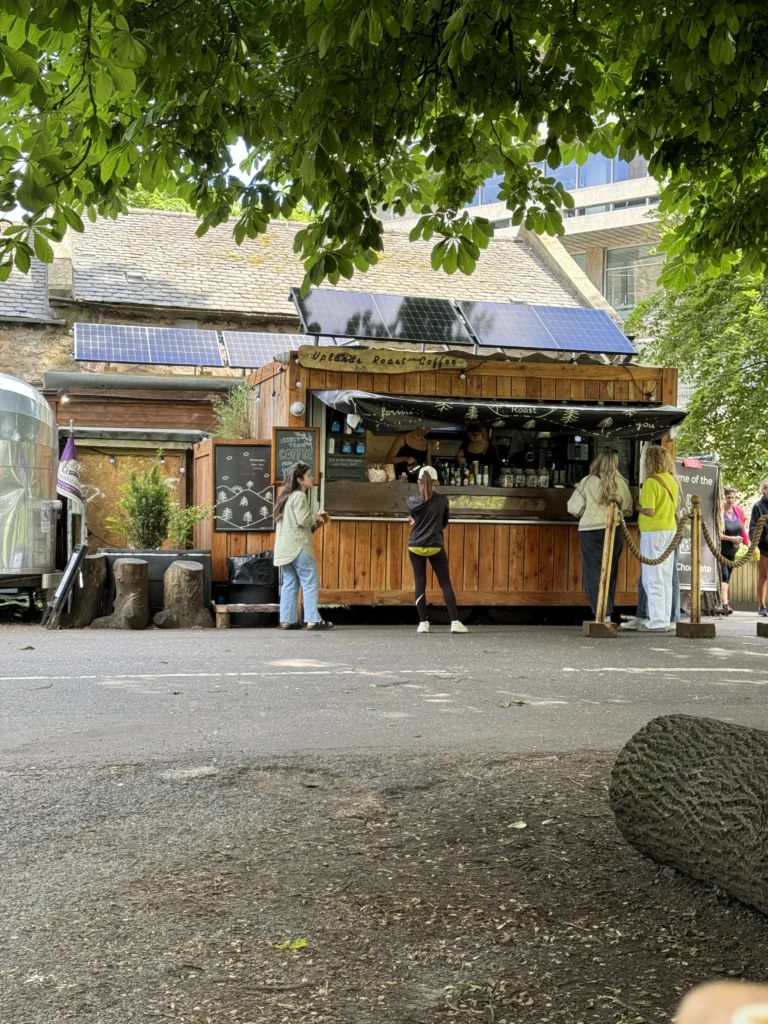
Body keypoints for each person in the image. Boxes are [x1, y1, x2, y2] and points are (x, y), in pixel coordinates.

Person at [567, 448, 633, 619]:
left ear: (598, 461)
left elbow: (573, 508)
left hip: (590, 532)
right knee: (610, 572)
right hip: (614, 529)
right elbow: (628, 509)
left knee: (593, 573)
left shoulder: (587, 481)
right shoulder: (621, 483)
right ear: (616, 463)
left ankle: (600, 614)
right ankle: (608, 613)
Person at [406, 465, 467, 634]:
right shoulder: (442, 500)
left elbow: (415, 519)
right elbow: (444, 522)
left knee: (420, 583)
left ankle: (423, 623)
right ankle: (455, 622)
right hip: (434, 545)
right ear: (436, 483)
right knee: (445, 583)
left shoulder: (411, 501)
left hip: (415, 545)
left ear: (418, 482)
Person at [273, 462, 331, 630]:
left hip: (284, 548)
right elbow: (303, 520)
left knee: (290, 582)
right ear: (300, 479)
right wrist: (317, 518)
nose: (312, 478)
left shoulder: (285, 497)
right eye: (309, 475)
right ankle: (313, 619)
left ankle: (287, 620)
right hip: (299, 547)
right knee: (310, 582)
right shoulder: (299, 496)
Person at [637, 445, 680, 632]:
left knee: (651, 577)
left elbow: (649, 510)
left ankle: (656, 621)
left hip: (653, 531)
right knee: (665, 577)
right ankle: (664, 619)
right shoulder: (671, 480)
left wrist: (636, 505)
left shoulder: (650, 482)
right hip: (670, 530)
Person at [720, 486, 749, 614]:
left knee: (728, 576)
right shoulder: (720, 512)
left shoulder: (737, 511)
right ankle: (724, 605)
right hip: (720, 549)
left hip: (733, 550)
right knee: (724, 575)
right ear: (724, 498)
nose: (731, 500)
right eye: (728, 498)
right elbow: (718, 534)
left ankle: (724, 602)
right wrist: (731, 538)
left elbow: (744, 523)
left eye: (733, 497)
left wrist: (748, 543)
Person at [749, 477, 768, 616]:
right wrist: (754, 543)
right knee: (764, 576)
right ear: (764, 490)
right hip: (763, 545)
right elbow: (753, 526)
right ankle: (762, 606)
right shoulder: (758, 506)